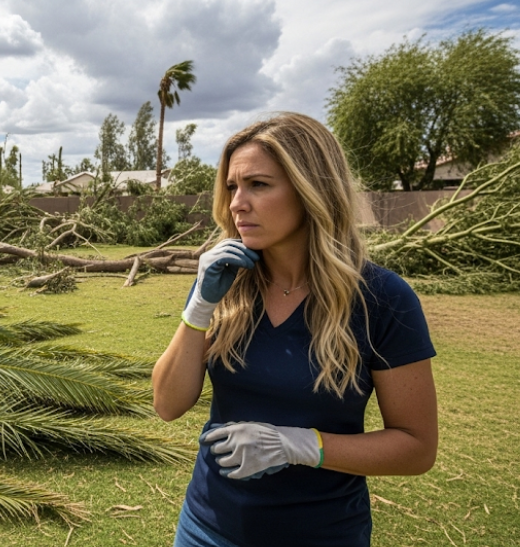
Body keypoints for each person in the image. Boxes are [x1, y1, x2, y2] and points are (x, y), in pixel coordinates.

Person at [152, 112, 437, 547]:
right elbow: (168, 405)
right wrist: (200, 306)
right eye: (232, 187)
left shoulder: (382, 298)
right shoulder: (224, 281)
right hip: (205, 528)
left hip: (321, 535)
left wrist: (300, 445)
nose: (237, 203)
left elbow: (416, 447)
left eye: (258, 185)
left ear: (311, 191)